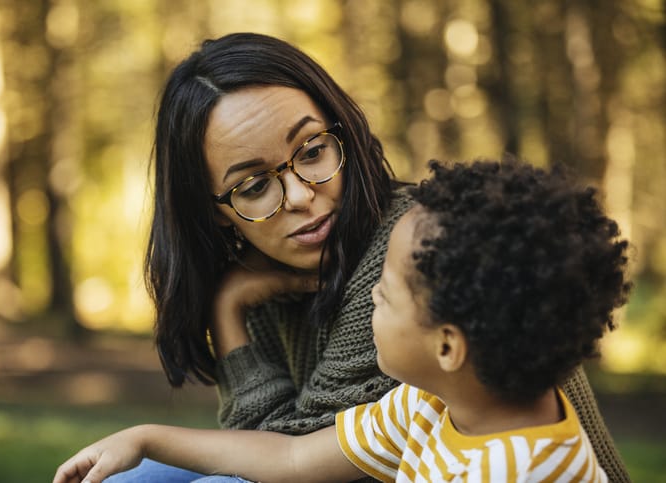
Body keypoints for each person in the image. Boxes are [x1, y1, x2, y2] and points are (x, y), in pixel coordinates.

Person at [98, 32, 630, 482]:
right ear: (214, 211)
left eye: (311, 152)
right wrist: (146, 435)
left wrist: (227, 311)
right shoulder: (418, 406)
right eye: (256, 185)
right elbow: (288, 457)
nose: (302, 195)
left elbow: (280, 462)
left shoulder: (411, 254)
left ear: (342, 134)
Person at [53, 159, 631, 483]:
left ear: (449, 346)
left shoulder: (517, 472)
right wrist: (145, 438)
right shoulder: (430, 402)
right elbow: (294, 457)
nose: (369, 295)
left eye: (385, 292)